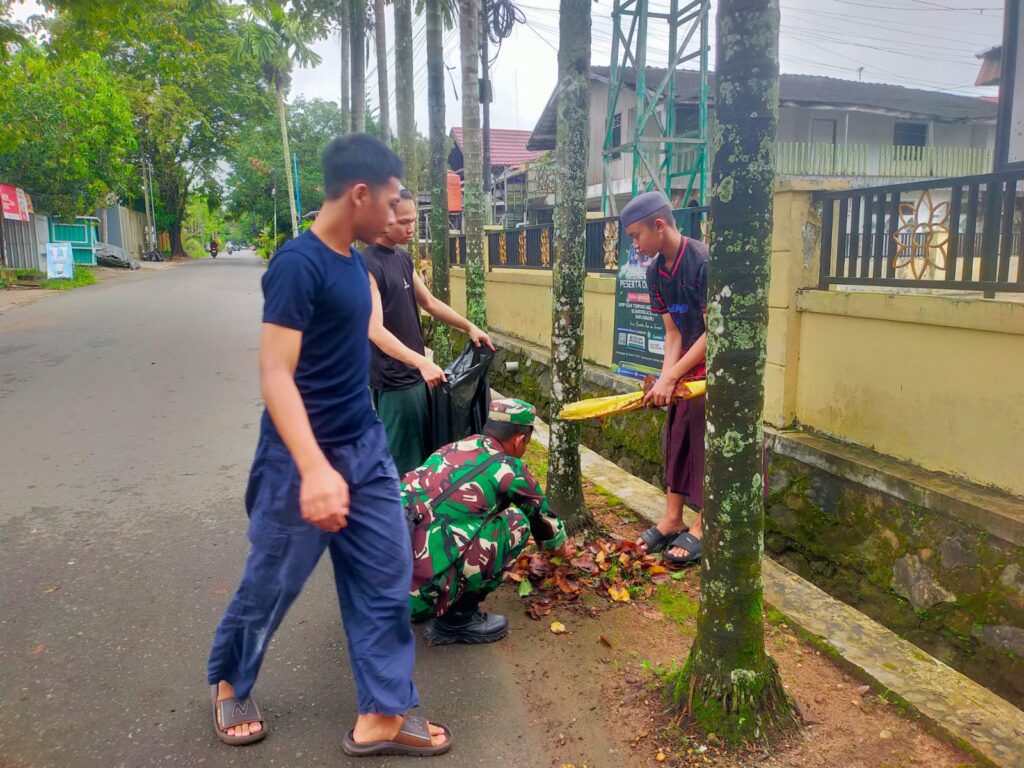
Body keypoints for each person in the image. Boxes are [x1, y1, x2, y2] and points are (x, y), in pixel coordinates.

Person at [206, 133, 452, 758]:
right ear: (360, 194)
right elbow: (274, 373)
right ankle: (232, 680)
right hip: (298, 457)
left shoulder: (354, 261)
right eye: (393, 200)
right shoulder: (299, 264)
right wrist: (314, 468)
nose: (399, 213)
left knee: (384, 573)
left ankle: (382, 714)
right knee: (272, 581)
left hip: (363, 445)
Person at [403, 398, 568, 644]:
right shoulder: (511, 469)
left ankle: (423, 592)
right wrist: (564, 551)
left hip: (381, 585)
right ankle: (456, 620)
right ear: (519, 439)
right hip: (415, 600)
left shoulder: (452, 448)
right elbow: (547, 528)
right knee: (517, 522)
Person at [362, 189, 494, 476]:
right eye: (404, 222)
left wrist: (469, 326)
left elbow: (430, 303)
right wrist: (422, 362)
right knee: (404, 468)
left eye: (413, 220)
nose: (412, 228)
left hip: (416, 379)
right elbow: (373, 329)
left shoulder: (402, 258)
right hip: (396, 383)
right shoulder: (367, 266)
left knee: (425, 461)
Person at [623, 191, 708, 568]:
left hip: (715, 368)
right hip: (686, 366)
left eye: (637, 236)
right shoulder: (655, 272)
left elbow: (714, 332)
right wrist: (664, 380)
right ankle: (673, 517)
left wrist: (672, 375)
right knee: (676, 437)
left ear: (659, 226)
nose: (635, 245)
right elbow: (672, 333)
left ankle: (705, 524)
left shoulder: (702, 261)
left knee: (706, 446)